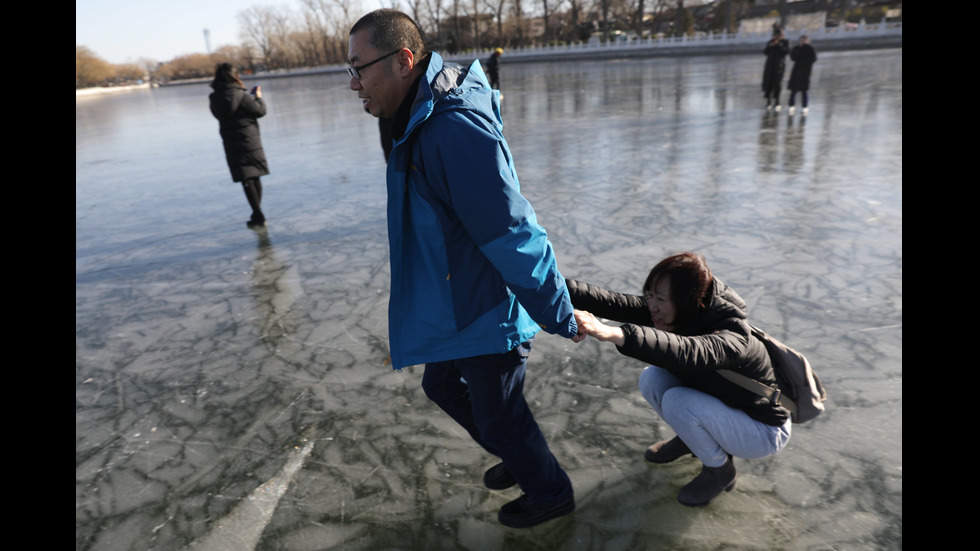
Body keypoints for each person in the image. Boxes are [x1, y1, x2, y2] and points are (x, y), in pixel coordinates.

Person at [347, 9, 580, 528]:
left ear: (404, 60)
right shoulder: (415, 119)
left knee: (500, 414)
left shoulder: (451, 129)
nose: (354, 83)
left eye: (359, 67)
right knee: (444, 388)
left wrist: (558, 311)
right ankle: (520, 456)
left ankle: (550, 491)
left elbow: (510, 229)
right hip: (455, 300)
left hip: (483, 307)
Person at [569, 253, 792, 507]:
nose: (652, 306)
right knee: (653, 378)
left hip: (762, 430)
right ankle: (693, 439)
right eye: (650, 296)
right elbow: (614, 303)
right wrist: (546, 284)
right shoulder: (685, 312)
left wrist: (611, 332)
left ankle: (719, 470)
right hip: (727, 404)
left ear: (689, 300)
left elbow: (688, 352)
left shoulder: (733, 337)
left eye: (660, 299)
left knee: (677, 401)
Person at [209, 63, 270, 228]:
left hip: (231, 142)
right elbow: (260, 111)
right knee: (255, 175)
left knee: (246, 177)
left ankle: (257, 214)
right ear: (234, 76)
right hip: (250, 140)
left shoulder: (214, 98)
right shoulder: (242, 96)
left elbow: (217, 115)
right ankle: (258, 214)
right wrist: (257, 97)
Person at [787, 35, 817, 115]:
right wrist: (798, 48)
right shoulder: (797, 48)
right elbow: (793, 57)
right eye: (801, 40)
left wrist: (806, 48)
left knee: (804, 90)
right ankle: (791, 106)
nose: (803, 42)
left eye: (804, 40)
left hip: (806, 72)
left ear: (808, 41)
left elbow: (813, 59)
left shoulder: (810, 49)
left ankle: (805, 107)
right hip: (796, 71)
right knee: (793, 90)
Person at [762, 29, 790, 111]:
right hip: (770, 66)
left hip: (779, 66)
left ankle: (777, 102)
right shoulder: (770, 42)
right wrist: (770, 46)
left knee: (777, 84)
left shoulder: (785, 42)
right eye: (775, 35)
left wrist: (778, 45)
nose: (776, 37)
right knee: (769, 83)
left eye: (778, 35)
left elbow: (786, 52)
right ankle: (768, 102)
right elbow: (765, 52)